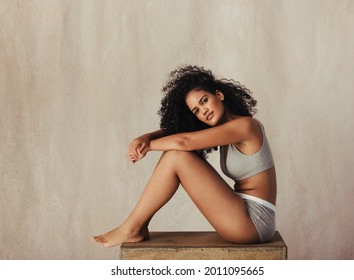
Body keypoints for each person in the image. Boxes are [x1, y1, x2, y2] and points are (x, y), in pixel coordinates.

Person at [92, 65, 277, 247]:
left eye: (204, 101)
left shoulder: (246, 126)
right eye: (196, 110)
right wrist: (146, 137)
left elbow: (184, 141)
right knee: (175, 154)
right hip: (243, 211)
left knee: (176, 156)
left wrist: (147, 147)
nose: (203, 111)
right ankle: (138, 227)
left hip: (255, 222)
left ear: (219, 95)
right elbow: (177, 132)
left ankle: (132, 228)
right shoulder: (224, 129)